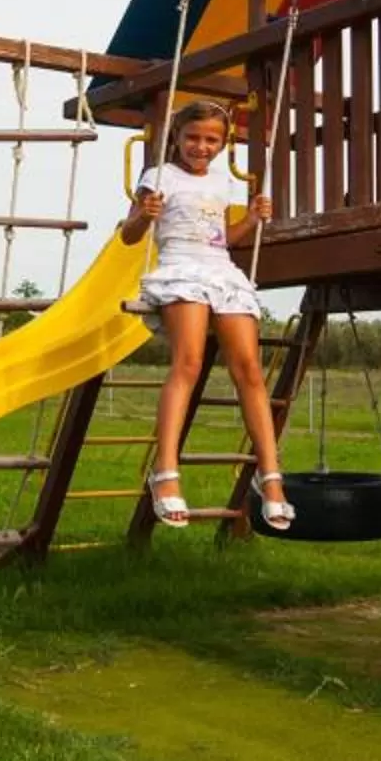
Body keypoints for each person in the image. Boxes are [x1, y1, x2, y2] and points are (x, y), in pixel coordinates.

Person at [119, 99, 292, 531]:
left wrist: (251, 220)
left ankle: (270, 478)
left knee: (250, 370)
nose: (201, 146)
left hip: (221, 271)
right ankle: (166, 473)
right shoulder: (158, 177)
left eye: (211, 139)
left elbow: (221, 240)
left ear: (223, 144)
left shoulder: (221, 184)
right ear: (176, 137)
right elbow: (129, 235)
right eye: (193, 137)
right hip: (179, 268)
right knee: (190, 362)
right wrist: (144, 214)